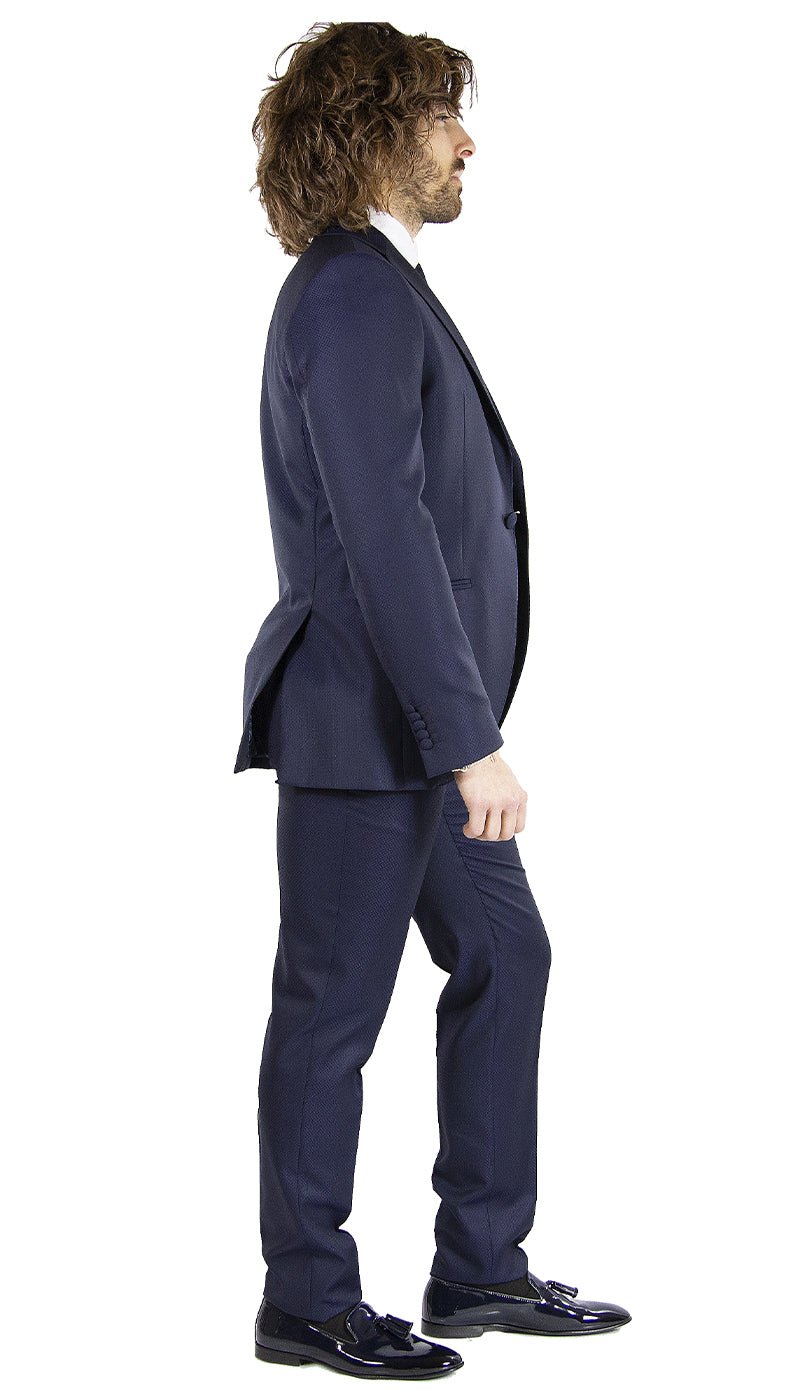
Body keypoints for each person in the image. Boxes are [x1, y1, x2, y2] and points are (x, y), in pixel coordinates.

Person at [234, 20, 630, 1381]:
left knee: (507, 956)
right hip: (364, 730)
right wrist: (473, 744)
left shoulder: (380, 287)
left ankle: (479, 1267)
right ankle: (307, 1300)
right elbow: (384, 533)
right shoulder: (351, 292)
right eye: (443, 117)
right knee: (332, 1012)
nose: (469, 142)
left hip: (413, 734)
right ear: (375, 133)